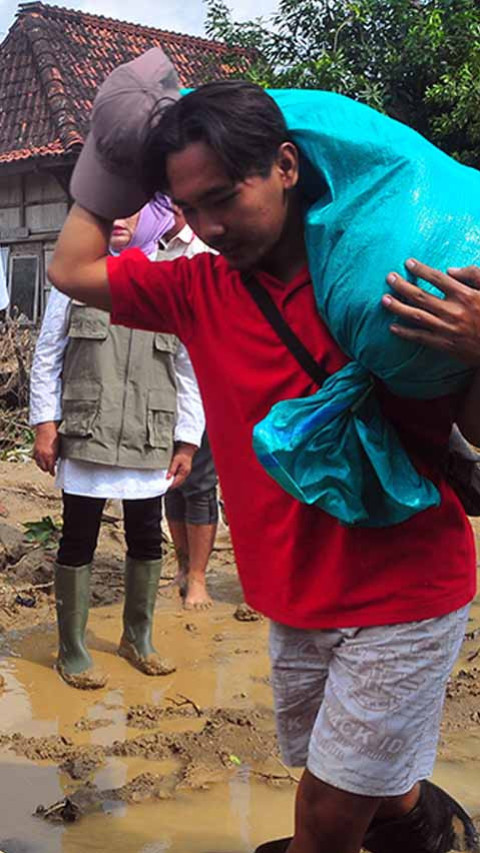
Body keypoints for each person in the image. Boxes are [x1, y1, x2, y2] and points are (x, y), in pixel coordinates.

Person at [47, 50, 480, 853]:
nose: (207, 227)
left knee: (320, 817)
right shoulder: (197, 289)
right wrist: (107, 163)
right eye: (188, 207)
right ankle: (429, 828)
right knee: (356, 781)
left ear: (287, 165)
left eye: (223, 198)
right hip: (292, 593)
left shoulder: (385, 286)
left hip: (406, 593)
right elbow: (70, 267)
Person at [30, 203, 205, 689]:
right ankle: (73, 647)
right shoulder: (78, 278)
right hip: (87, 433)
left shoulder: (170, 284)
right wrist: (45, 424)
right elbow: (49, 354)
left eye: (133, 213)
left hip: (149, 437)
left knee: (147, 538)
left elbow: (188, 370)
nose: (121, 221)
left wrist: (188, 440)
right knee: (79, 537)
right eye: (113, 213)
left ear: (153, 219)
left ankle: (138, 637)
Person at [158, 207, 218, 610]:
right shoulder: (152, 252)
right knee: (170, 481)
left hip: (202, 384)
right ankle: (181, 564)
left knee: (199, 480)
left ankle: (198, 575)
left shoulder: (205, 254)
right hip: (160, 386)